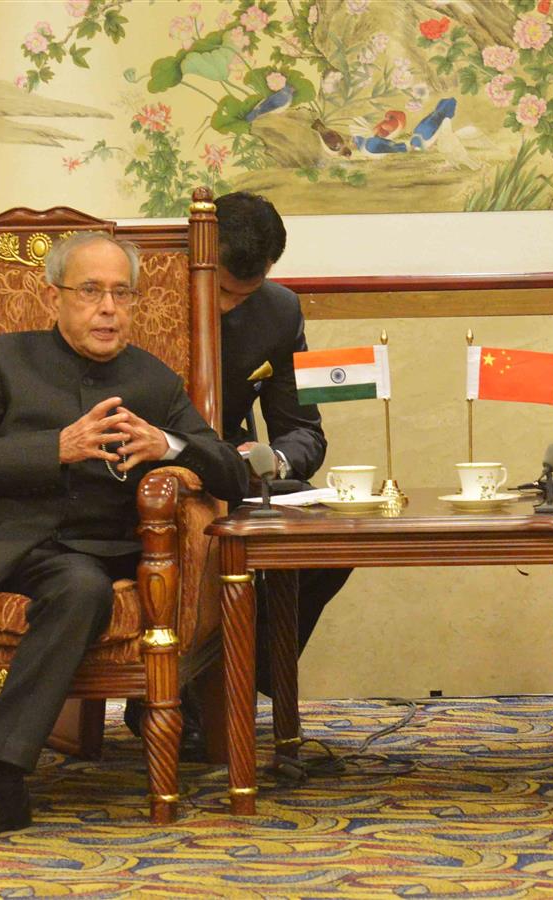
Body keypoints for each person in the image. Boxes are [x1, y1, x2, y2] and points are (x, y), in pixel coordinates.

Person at [0, 232, 249, 845]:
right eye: (91, 291)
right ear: (57, 297)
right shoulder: (0, 359)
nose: (108, 309)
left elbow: (233, 472)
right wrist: (54, 448)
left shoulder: (154, 381)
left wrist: (168, 445)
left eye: (123, 294)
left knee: (83, 593)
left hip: (78, 556)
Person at [214, 191, 353, 697]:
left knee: (334, 539)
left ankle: (237, 684)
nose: (231, 307)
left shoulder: (280, 309)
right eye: (224, 292)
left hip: (241, 476)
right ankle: (206, 695)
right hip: (157, 473)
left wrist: (272, 459)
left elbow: (305, 430)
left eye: (245, 295)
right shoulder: (145, 297)